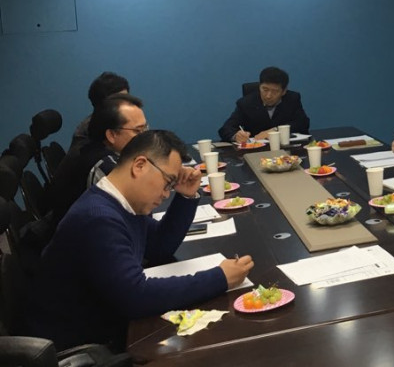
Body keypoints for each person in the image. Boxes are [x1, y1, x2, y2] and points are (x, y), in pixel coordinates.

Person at [29, 130, 254, 351]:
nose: (166, 193)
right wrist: (219, 278)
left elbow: (159, 247)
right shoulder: (98, 218)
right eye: (168, 182)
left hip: (103, 325)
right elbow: (136, 297)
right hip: (84, 346)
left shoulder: (121, 203)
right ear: (139, 165)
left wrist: (185, 196)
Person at [50, 93, 148, 222]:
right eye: (138, 131)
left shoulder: (95, 148)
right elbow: (140, 212)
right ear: (111, 135)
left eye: (145, 128)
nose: (145, 137)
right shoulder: (103, 165)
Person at [218, 66, 310, 142]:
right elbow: (226, 128)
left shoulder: (292, 99)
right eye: (265, 89)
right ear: (259, 87)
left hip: (285, 149)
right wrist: (236, 136)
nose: (268, 96)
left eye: (275, 91)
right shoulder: (246, 103)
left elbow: (303, 123)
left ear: (284, 91)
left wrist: (275, 130)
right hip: (256, 151)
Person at [71, 72, 130, 150]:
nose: (127, 104)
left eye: (127, 99)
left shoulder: (128, 121)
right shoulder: (89, 131)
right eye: (119, 100)